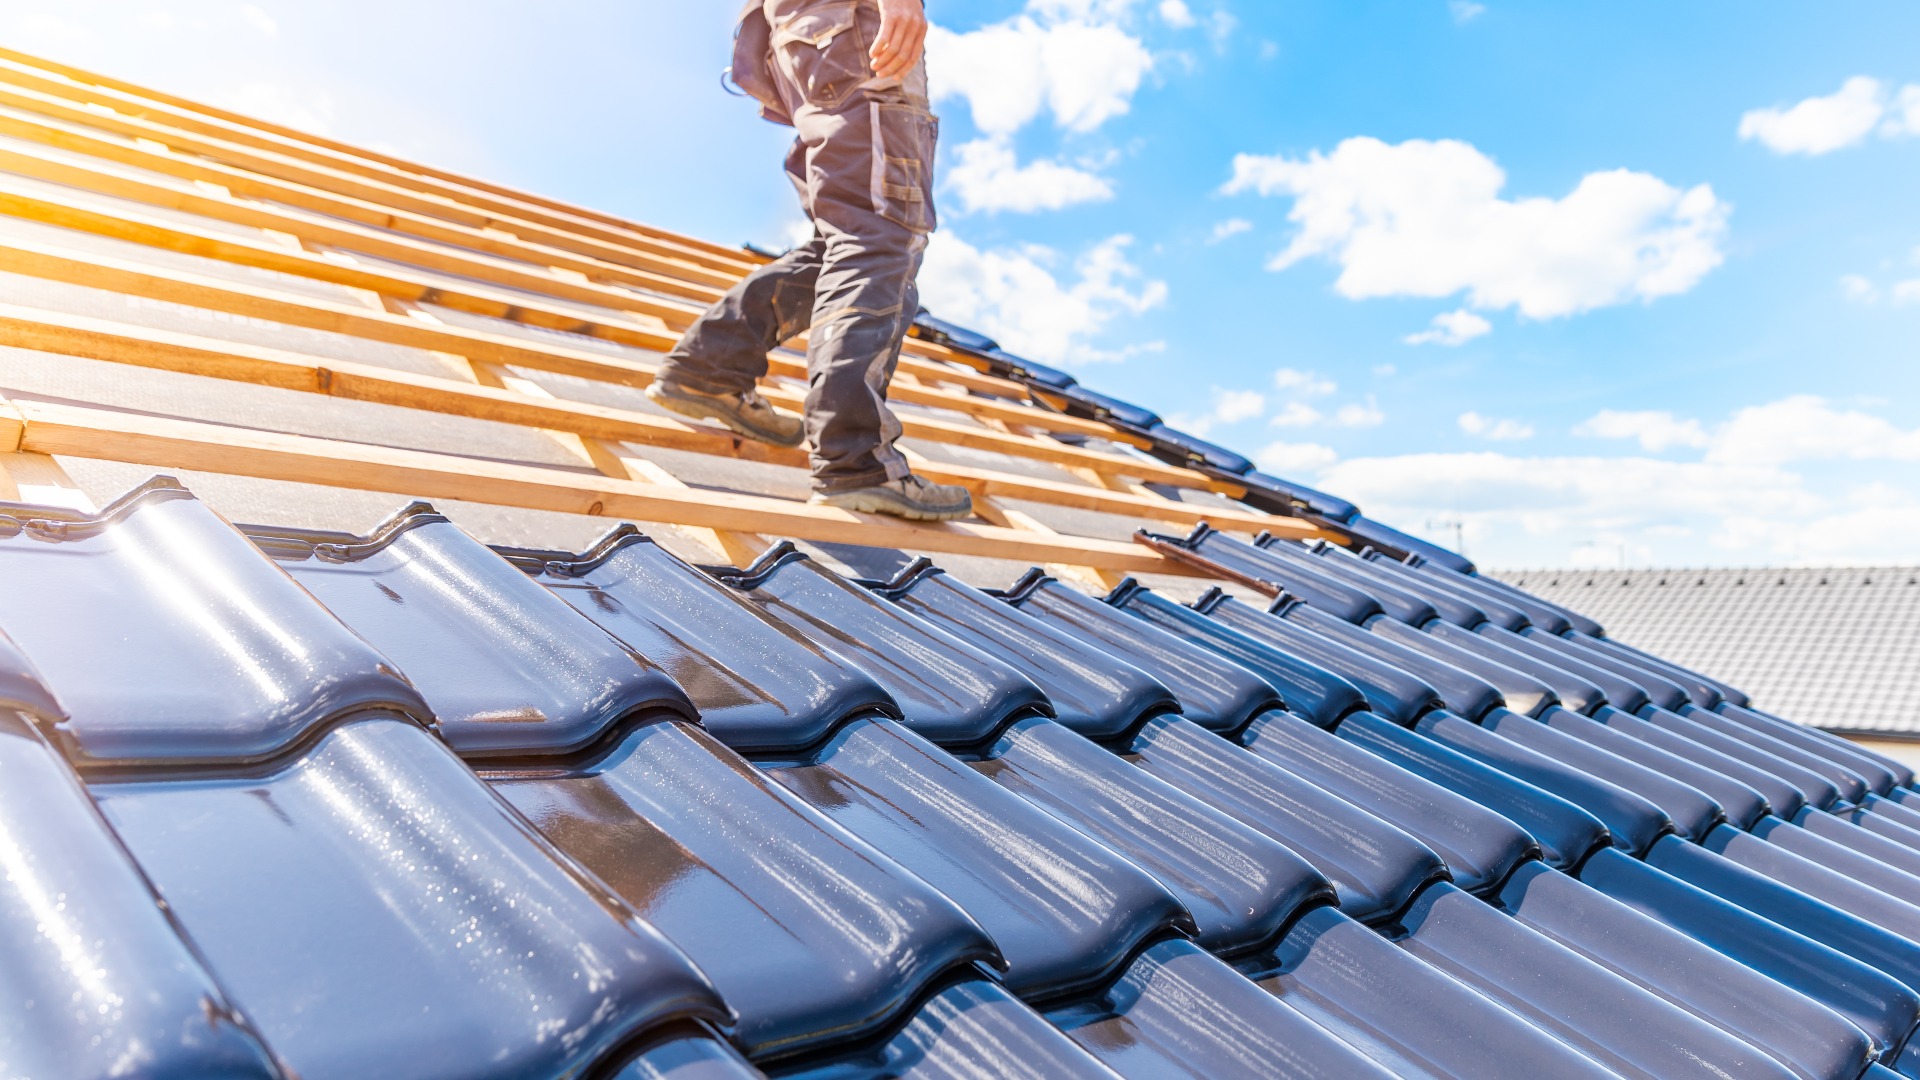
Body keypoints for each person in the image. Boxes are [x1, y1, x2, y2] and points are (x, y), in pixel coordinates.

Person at [646, 0, 974, 522]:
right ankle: (857, 462)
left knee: (841, 242)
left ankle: (710, 368)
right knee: (879, 235)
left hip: (803, 40)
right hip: (845, 29)